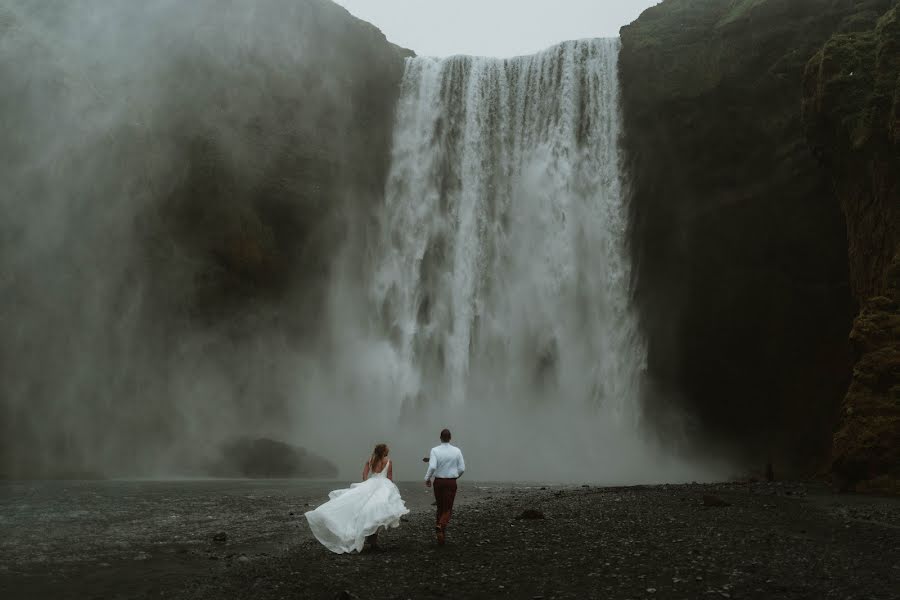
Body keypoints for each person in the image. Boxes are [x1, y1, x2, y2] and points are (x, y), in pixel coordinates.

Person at [304, 443, 409, 553]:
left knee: (362, 509)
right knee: (378, 512)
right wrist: (390, 488)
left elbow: (364, 475)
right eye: (387, 450)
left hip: (371, 483)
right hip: (384, 485)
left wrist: (366, 485)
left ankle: (369, 538)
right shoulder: (388, 461)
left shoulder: (371, 460)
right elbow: (390, 477)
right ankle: (373, 540)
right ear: (383, 451)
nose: (388, 451)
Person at [424, 428, 465, 545]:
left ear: (440, 438)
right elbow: (462, 468)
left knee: (440, 507)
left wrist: (427, 478)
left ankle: (441, 537)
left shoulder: (435, 450)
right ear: (450, 438)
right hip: (451, 482)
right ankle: (440, 526)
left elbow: (432, 467)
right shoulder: (457, 451)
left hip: (438, 482)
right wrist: (455, 476)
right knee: (448, 508)